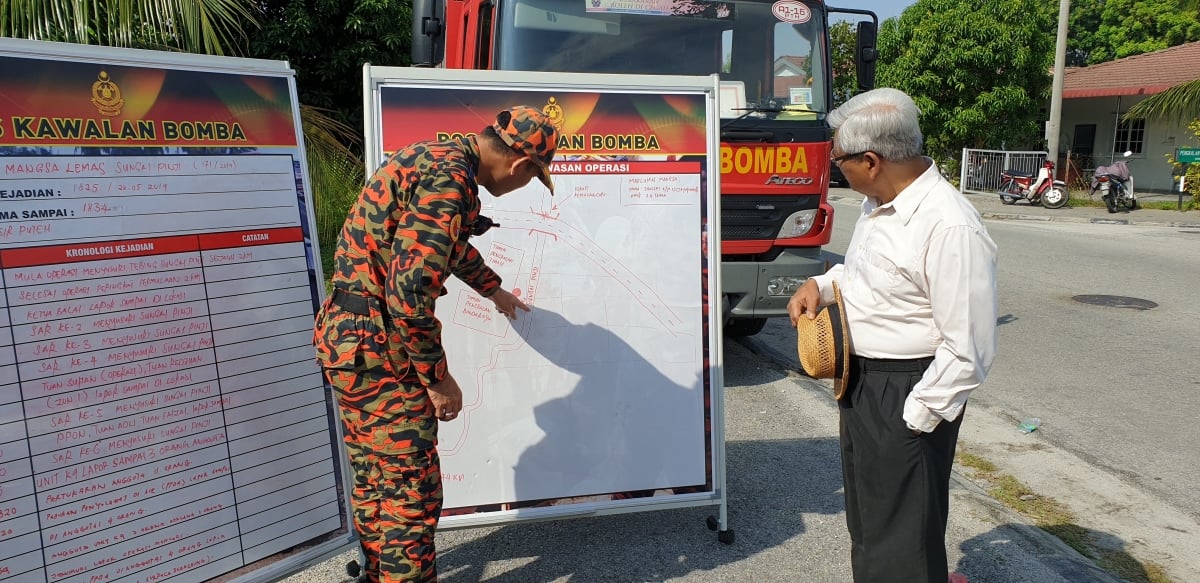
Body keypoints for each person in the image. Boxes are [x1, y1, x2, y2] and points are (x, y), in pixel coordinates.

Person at [313, 105, 558, 583]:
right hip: (380, 345)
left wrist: (493, 289)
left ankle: (380, 575)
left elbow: (447, 245)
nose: (526, 185)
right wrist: (437, 378)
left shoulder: (436, 157)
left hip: (348, 337)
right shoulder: (452, 181)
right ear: (520, 165)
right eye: (533, 178)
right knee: (410, 488)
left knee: (376, 476)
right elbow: (408, 293)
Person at [787, 88, 998, 583]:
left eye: (839, 160)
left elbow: (968, 348)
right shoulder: (879, 204)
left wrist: (915, 417)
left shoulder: (949, 226)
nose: (837, 170)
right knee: (871, 521)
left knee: (905, 535)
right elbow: (864, 276)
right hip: (863, 384)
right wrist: (818, 283)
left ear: (872, 160)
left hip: (910, 388)